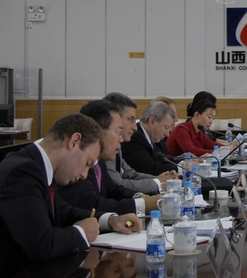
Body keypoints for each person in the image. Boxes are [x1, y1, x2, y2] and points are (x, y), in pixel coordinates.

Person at [0, 113, 141, 277]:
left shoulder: (40, 166)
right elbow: (41, 244)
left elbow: (64, 212)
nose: (84, 175)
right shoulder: (22, 172)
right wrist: (81, 232)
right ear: (74, 141)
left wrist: (110, 221)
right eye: (87, 163)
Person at [59, 100, 160, 215]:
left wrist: (138, 196)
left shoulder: (100, 162)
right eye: (118, 132)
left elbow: (113, 189)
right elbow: (92, 204)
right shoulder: (76, 163)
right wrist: (141, 205)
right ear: (97, 131)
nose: (121, 139)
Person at [103, 92, 177, 195]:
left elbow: (131, 174)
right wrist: (158, 182)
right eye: (131, 120)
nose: (135, 127)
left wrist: (160, 180)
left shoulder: (117, 145)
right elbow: (118, 184)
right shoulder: (131, 140)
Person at [121, 101, 178, 175]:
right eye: (166, 127)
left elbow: (162, 159)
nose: (167, 134)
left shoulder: (154, 138)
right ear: (152, 121)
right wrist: (179, 168)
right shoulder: (134, 137)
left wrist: (182, 160)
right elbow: (150, 169)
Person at [167, 97, 237, 156]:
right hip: (173, 167)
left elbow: (212, 145)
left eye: (213, 118)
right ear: (197, 115)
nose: (211, 122)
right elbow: (192, 151)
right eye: (209, 117)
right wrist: (221, 152)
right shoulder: (181, 129)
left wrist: (228, 148)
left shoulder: (199, 131)